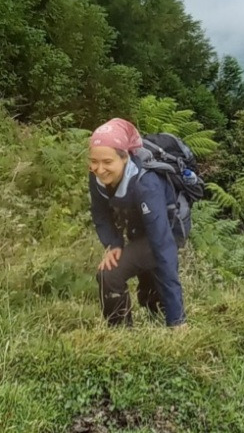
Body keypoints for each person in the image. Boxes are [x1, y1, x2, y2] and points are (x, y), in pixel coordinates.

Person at [88, 117, 187, 328]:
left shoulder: (146, 184)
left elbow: (163, 246)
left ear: (125, 158)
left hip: (168, 229)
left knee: (110, 275)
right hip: (138, 228)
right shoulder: (96, 177)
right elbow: (100, 214)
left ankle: (125, 332)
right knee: (149, 296)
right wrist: (113, 243)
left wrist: (177, 321)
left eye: (107, 162)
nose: (99, 169)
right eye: (94, 161)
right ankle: (143, 317)